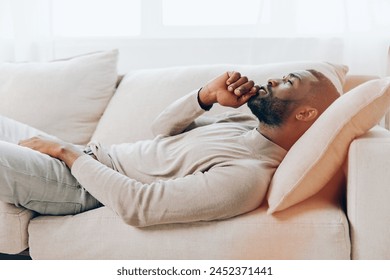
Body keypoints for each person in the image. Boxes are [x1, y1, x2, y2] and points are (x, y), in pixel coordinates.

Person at [0, 69, 340, 227]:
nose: (271, 81)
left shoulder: (247, 176)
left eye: (287, 83)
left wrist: (66, 152)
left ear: (306, 113)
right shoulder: (244, 126)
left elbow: (138, 207)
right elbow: (162, 130)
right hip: (84, 158)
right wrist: (205, 97)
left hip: (78, 185)